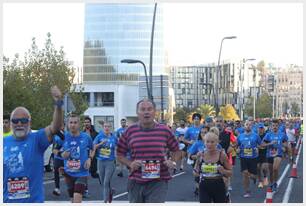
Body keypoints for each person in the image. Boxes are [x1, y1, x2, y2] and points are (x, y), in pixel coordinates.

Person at [3, 86, 63, 203]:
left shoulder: (37, 139)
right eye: (15, 121)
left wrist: (58, 104)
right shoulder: (3, 143)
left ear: (30, 122)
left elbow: (55, 127)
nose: (19, 123)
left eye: (24, 120)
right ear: (11, 123)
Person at [116, 99, 180, 203]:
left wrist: (172, 161)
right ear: (137, 113)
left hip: (158, 181)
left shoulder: (164, 130)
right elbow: (119, 154)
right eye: (143, 109)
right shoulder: (130, 131)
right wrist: (130, 163)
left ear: (155, 112)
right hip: (136, 180)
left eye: (149, 109)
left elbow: (176, 150)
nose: (146, 112)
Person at [62, 114, 93, 203]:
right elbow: (56, 151)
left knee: (77, 199)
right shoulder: (64, 137)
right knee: (72, 200)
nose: (73, 125)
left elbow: (92, 148)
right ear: (67, 124)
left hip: (82, 173)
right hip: (68, 173)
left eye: (75, 122)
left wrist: (89, 159)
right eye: (71, 122)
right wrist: (62, 154)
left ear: (79, 124)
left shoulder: (86, 137)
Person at [193, 132, 232, 203]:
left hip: (218, 185)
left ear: (217, 142)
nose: (209, 144)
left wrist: (223, 171)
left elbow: (230, 173)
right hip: (204, 185)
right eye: (207, 142)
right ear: (204, 142)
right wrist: (196, 172)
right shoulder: (201, 154)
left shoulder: (222, 155)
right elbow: (195, 171)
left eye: (212, 142)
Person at [92, 122, 118, 203]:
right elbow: (94, 146)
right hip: (100, 161)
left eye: (108, 126)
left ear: (110, 128)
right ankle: (110, 191)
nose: (107, 128)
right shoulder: (99, 136)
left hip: (110, 162)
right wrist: (101, 144)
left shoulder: (114, 137)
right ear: (103, 128)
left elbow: (118, 147)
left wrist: (117, 158)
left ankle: (105, 201)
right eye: (105, 126)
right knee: (103, 182)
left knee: (106, 182)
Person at [261, 119, 288, 192]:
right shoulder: (268, 134)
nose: (274, 127)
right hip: (269, 154)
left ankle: (275, 183)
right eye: (273, 126)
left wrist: (283, 146)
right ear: (271, 126)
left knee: (275, 168)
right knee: (271, 171)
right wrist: (270, 143)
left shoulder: (282, 134)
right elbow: (262, 144)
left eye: (276, 125)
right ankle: (272, 183)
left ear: (278, 126)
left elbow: (286, 143)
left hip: (278, 154)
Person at [237, 120, 262, 198]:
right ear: (244, 126)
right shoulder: (240, 136)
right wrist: (237, 150)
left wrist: (259, 148)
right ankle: (247, 191)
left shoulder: (256, 136)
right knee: (245, 174)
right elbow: (236, 145)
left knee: (253, 176)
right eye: (246, 124)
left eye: (250, 125)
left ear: (252, 126)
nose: (248, 126)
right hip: (243, 157)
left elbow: (260, 145)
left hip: (253, 158)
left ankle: (255, 178)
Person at [52, 125, 65, 196]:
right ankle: (57, 188)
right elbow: (54, 147)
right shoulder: (55, 135)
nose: (61, 127)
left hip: (66, 157)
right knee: (56, 171)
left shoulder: (67, 134)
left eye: (62, 125)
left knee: (67, 173)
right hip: (57, 157)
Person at [256, 123, 269, 188]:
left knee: (264, 167)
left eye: (262, 128)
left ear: (264, 129)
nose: (260, 130)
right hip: (257, 154)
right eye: (259, 128)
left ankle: (265, 177)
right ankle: (260, 181)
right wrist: (257, 146)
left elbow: (267, 143)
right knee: (258, 168)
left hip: (264, 153)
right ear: (257, 129)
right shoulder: (255, 136)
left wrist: (263, 145)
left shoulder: (266, 135)